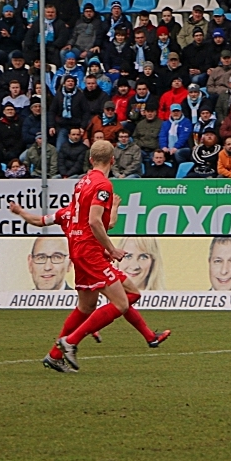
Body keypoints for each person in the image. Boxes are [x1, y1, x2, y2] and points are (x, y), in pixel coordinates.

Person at [10, 189, 170, 373]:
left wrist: (20, 212)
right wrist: (116, 207)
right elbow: (108, 224)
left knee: (91, 306)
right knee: (126, 297)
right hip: (94, 261)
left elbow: (39, 221)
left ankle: (56, 354)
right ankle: (76, 337)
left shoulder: (65, 213)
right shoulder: (89, 213)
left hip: (84, 260)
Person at [55, 141, 171, 371]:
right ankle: (70, 342)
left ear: (90, 160)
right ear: (113, 160)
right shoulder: (103, 185)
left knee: (88, 306)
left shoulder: (82, 181)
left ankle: (55, 354)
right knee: (122, 300)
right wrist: (112, 249)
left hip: (81, 248)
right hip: (91, 249)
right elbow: (94, 221)